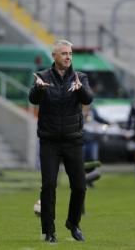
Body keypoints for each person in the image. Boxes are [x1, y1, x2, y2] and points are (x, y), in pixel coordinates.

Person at [29, 39, 93, 243]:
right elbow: (33, 99)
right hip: (50, 141)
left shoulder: (80, 77)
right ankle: (49, 231)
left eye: (70, 54)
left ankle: (73, 223)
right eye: (64, 53)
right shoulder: (42, 76)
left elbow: (88, 98)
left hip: (73, 140)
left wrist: (80, 89)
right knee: (48, 186)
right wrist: (39, 89)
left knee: (80, 186)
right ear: (54, 56)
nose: (68, 57)